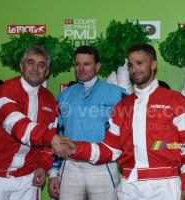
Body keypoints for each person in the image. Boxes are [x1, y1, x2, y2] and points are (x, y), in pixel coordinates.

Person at [62, 43, 185, 200]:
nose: (134, 69)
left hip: (164, 186)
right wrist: (78, 149)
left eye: (140, 63)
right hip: (129, 187)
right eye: (131, 65)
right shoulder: (123, 106)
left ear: (153, 64)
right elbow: (110, 148)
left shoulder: (175, 100)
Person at [0, 45, 72, 200]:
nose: (36, 68)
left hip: (27, 177)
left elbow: (48, 144)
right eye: (31, 62)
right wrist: (52, 138)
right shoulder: (5, 90)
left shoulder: (50, 100)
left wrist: (43, 167)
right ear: (22, 66)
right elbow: (17, 125)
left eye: (41, 65)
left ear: (47, 71)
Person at [48, 45, 128, 200]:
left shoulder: (117, 94)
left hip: (102, 166)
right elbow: (55, 135)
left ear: (97, 66)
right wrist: (53, 172)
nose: (81, 68)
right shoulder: (64, 96)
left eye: (87, 64)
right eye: (77, 64)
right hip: (71, 166)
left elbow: (134, 128)